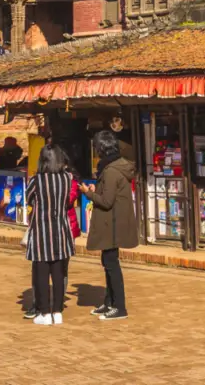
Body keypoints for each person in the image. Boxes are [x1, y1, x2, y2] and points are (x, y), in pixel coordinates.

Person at [81, 129, 137, 320]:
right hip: (112, 222)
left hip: (113, 223)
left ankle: (119, 307)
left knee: (112, 264)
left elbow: (106, 201)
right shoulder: (112, 167)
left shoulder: (112, 170)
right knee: (108, 262)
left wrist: (88, 193)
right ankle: (109, 302)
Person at [25, 144, 76, 325]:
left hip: (41, 231)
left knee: (41, 272)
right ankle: (58, 311)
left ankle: (44, 312)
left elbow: (28, 198)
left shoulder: (36, 180)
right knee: (58, 272)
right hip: (61, 230)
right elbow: (68, 200)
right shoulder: (66, 179)